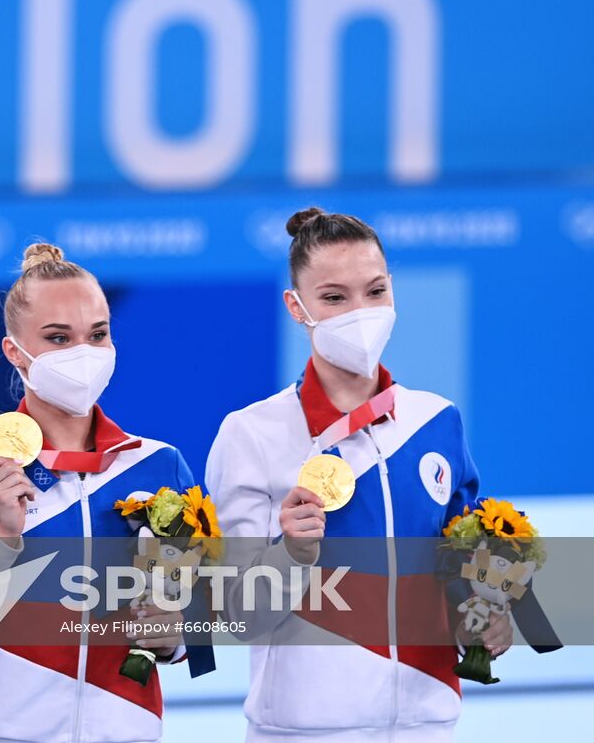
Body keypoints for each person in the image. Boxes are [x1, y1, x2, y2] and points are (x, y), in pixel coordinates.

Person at [204, 208, 505, 742]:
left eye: (375, 291)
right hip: (304, 730)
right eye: (335, 298)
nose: (360, 313)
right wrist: (291, 554)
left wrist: (485, 616)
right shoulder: (251, 433)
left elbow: (464, 567)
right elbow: (237, 618)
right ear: (297, 308)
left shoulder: (436, 420)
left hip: (427, 722)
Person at [0, 243, 208, 743]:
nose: (84, 355)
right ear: (15, 351)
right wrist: (3, 536)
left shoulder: (158, 464)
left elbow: (199, 624)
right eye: (58, 338)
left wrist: (178, 634)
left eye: (98, 335)